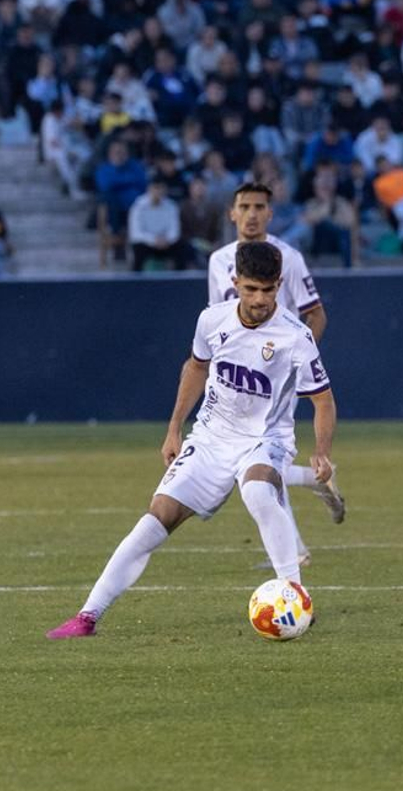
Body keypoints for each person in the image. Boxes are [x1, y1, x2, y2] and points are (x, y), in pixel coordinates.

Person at [47, 242, 337, 639]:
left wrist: (321, 452)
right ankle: (87, 616)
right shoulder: (212, 321)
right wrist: (173, 428)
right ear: (235, 283)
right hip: (211, 437)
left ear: (278, 285)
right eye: (251, 289)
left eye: (268, 290)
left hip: (266, 439)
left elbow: (323, 400)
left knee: (257, 491)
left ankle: (295, 593)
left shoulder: (294, 337)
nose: (260, 300)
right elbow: (196, 367)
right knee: (156, 519)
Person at [207, 182, 346, 565]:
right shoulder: (218, 261)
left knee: (257, 458)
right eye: (244, 206)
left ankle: (295, 552)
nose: (251, 213)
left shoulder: (290, 258)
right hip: (237, 378)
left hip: (273, 376)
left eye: (259, 206)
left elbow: (315, 313)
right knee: (255, 464)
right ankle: (315, 488)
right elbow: (217, 318)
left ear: (270, 213)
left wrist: (299, 362)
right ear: (231, 213)